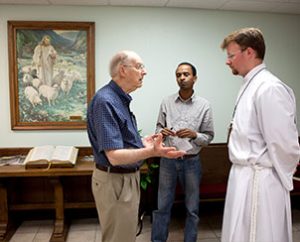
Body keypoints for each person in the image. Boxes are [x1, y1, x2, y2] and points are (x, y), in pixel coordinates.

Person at [87, 50, 186, 242]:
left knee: (125, 236)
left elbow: (120, 144)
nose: (145, 72)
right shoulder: (106, 101)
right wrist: (151, 151)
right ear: (123, 70)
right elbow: (114, 156)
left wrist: (143, 143)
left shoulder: (119, 100)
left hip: (125, 179)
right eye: (140, 66)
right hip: (115, 181)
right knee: (119, 238)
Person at [220, 27, 300, 242]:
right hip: (243, 176)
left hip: (260, 182)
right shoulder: (251, 84)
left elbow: (285, 143)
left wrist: (282, 175)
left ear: (250, 52)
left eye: (231, 55)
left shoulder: (269, 87)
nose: (227, 61)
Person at [151, 62, 214, 242]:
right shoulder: (166, 102)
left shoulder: (204, 105)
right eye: (179, 75)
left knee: (192, 208)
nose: (182, 78)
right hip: (168, 161)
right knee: (162, 206)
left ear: (195, 78)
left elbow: (208, 137)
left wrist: (194, 135)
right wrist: (160, 133)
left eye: (186, 74)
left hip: (191, 161)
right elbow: (158, 129)